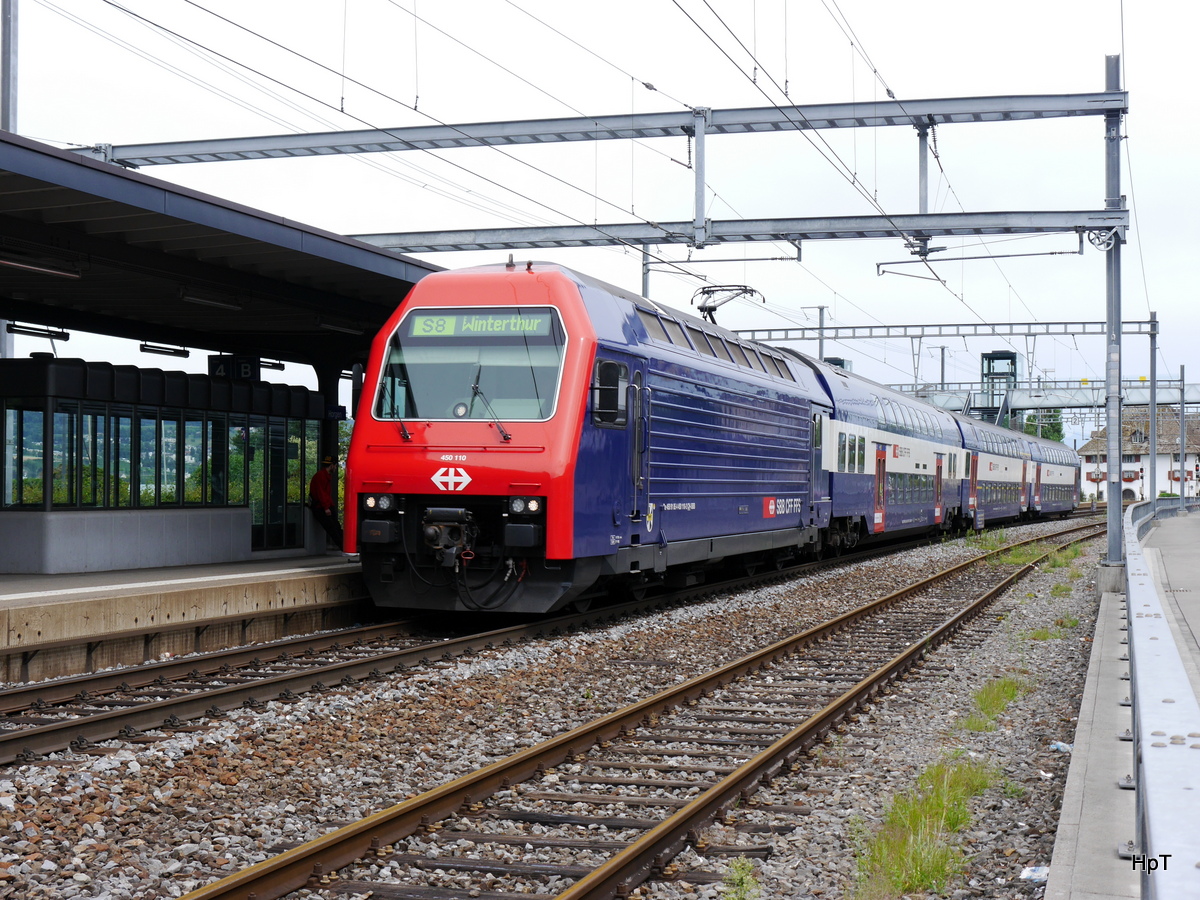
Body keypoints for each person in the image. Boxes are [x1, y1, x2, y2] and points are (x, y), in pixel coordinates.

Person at [308, 455, 344, 549]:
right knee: (333, 528)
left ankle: (344, 546)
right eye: (335, 466)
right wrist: (326, 507)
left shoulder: (322, 476)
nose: (335, 468)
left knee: (335, 527)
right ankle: (343, 546)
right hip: (322, 507)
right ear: (332, 465)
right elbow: (322, 493)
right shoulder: (322, 476)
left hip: (324, 506)